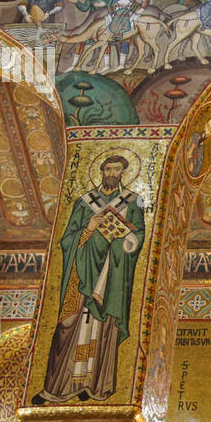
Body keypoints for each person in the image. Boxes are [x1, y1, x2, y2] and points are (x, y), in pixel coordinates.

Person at [32, 154, 146, 404]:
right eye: (108, 168)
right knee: (69, 324)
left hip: (110, 276)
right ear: (101, 171)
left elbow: (138, 236)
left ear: (123, 173)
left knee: (102, 328)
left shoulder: (133, 201)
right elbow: (67, 239)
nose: (112, 173)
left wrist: (123, 243)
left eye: (117, 169)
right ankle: (56, 387)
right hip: (81, 274)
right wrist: (89, 229)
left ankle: (94, 386)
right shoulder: (85, 202)